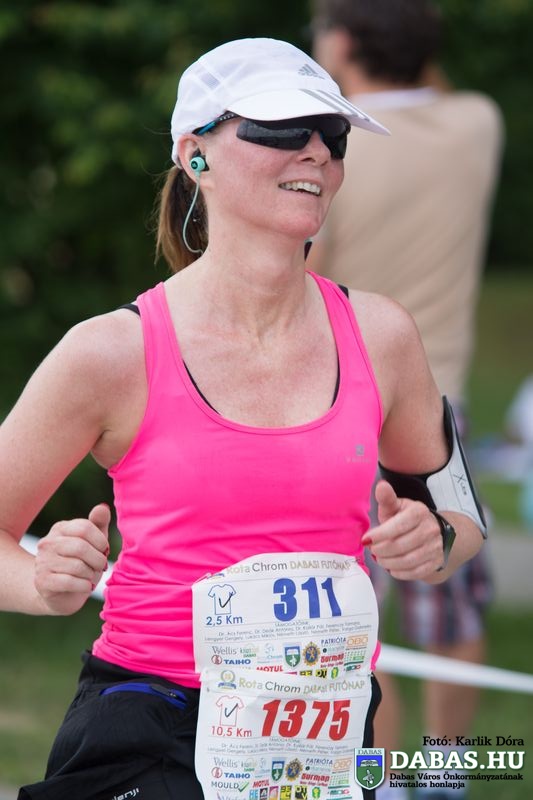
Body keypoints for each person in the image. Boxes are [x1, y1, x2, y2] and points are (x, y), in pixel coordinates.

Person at [0, 37, 486, 800]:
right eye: (280, 128)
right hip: (152, 722)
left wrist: (435, 541)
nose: (316, 152)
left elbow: (459, 514)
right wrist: (43, 583)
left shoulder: (381, 334)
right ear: (194, 154)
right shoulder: (110, 352)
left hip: (324, 731)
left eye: (333, 135)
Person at [309, 3, 503, 799]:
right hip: (441, 404)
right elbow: (432, 87)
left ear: (341, 42)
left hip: (347, 406)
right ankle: (445, 778)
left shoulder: (326, 153)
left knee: (361, 609)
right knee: (451, 608)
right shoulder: (476, 123)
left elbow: (304, 276)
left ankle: (379, 780)